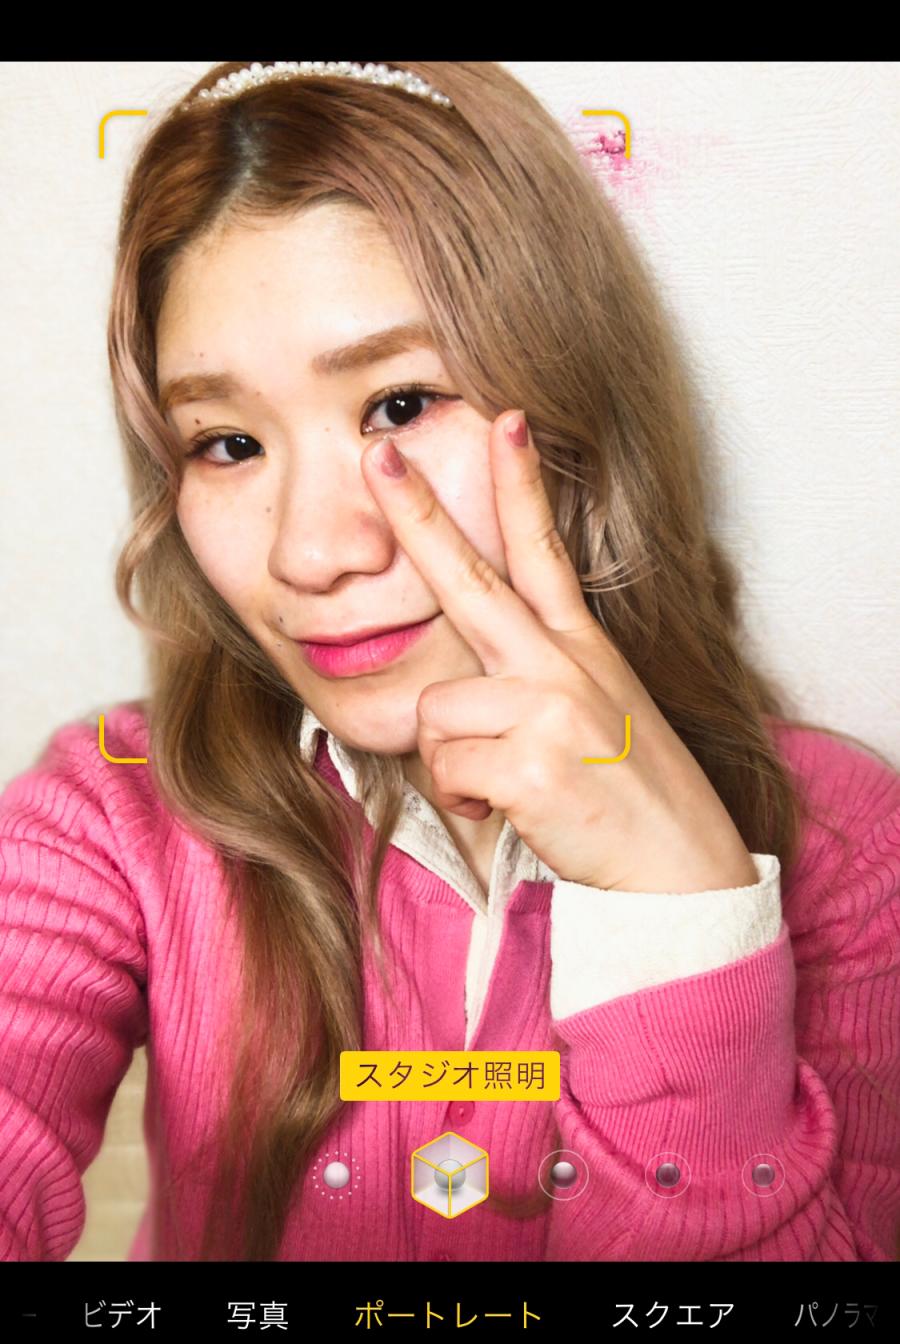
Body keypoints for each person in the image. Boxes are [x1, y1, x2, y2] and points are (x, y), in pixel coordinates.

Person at [0, 59, 898, 1264]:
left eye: (399, 405)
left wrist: (685, 923)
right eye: (228, 443)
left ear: (574, 404)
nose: (312, 553)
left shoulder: (848, 849)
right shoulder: (110, 815)